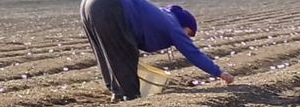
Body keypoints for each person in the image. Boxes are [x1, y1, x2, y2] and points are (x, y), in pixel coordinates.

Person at [80, 0, 234, 101]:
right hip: (110, 6)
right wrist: (219, 72)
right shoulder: (173, 25)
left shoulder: (162, 16)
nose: (188, 38)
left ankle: (118, 93)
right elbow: (193, 53)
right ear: (185, 26)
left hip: (87, 6)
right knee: (125, 52)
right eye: (189, 34)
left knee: (106, 52)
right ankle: (129, 97)